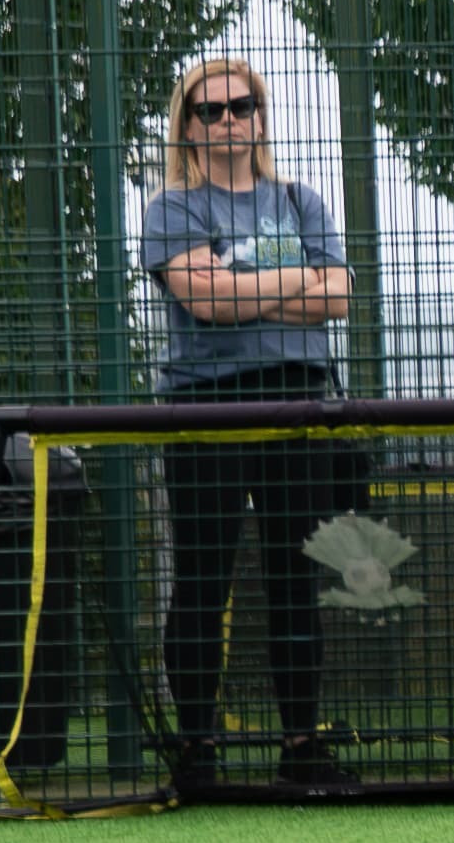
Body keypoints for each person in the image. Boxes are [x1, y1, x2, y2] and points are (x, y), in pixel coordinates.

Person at [138, 57, 359, 792]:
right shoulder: (172, 207)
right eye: (211, 110)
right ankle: (197, 750)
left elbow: (339, 298)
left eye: (242, 107)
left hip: (298, 401)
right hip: (207, 405)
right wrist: (295, 281)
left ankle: (302, 746)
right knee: (204, 576)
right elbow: (205, 303)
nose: (229, 120)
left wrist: (240, 286)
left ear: (261, 118)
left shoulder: (300, 201)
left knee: (296, 575)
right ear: (188, 126)